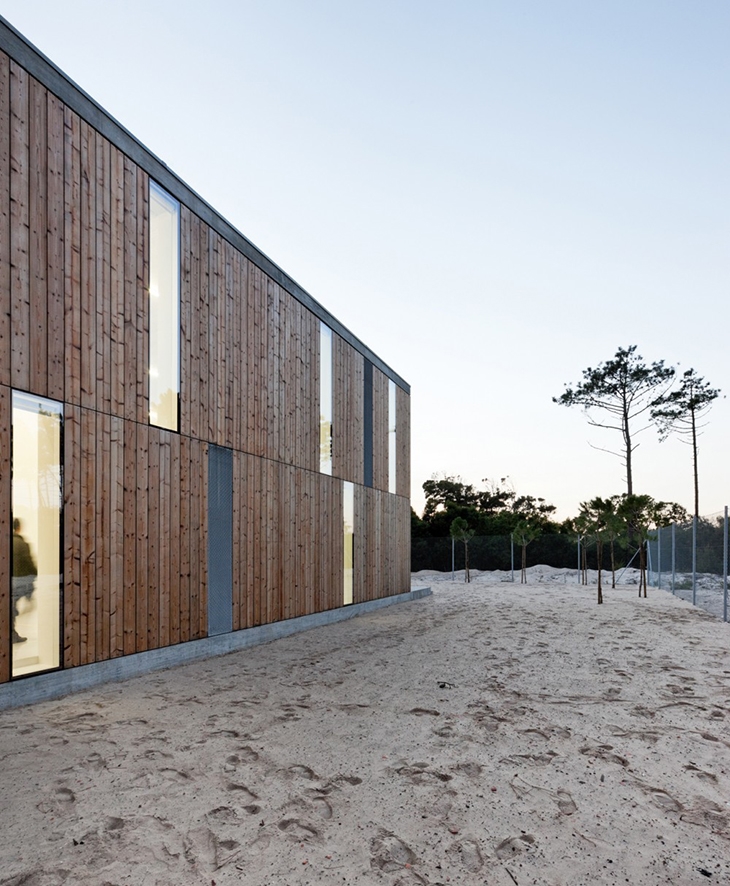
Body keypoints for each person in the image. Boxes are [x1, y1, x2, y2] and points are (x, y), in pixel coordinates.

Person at [12, 518, 37, 644]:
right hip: (19, 580)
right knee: (12, 606)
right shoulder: (21, 543)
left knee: (10, 605)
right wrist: (35, 573)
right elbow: (28, 562)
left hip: (11, 580)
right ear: (19, 528)